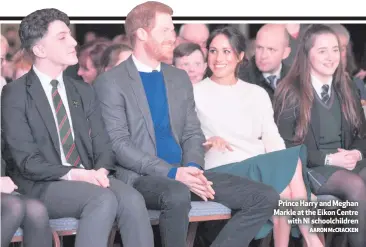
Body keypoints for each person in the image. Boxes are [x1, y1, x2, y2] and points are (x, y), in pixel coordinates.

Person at [93, 2, 279, 247]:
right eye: (166, 31)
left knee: (265, 196)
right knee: (176, 192)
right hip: (142, 178)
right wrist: (173, 173)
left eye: (173, 30)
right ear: (141, 34)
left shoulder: (178, 78)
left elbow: (192, 132)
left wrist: (192, 168)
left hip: (185, 173)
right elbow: (119, 146)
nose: (173, 37)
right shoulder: (112, 81)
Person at [1, 8, 154, 247]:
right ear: (40, 50)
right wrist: (76, 174)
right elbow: (27, 162)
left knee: (133, 199)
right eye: (62, 37)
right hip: (42, 184)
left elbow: (103, 145)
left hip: (88, 176)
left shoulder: (81, 90)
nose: (74, 42)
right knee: (102, 200)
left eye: (70, 34)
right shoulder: (16, 93)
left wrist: (101, 171)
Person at [193, 25, 323, 247]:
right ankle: (312, 240)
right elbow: (189, 136)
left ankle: (304, 241)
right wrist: (206, 142)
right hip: (222, 169)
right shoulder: (194, 91)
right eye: (213, 51)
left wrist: (284, 167)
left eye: (227, 51)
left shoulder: (257, 93)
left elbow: (272, 137)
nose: (218, 58)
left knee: (286, 186)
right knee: (289, 173)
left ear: (240, 56)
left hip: (257, 165)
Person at [274, 24, 366, 247]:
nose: (331, 57)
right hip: (310, 169)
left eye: (335, 50)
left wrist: (356, 153)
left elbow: (362, 135)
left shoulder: (347, 86)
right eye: (322, 51)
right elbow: (284, 148)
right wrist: (328, 159)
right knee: (355, 186)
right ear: (307, 54)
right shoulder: (290, 92)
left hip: (348, 163)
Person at [239, 24, 291, 101]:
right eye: (259, 47)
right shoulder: (239, 79)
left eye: (271, 49)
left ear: (285, 53)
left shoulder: (297, 78)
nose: (263, 56)